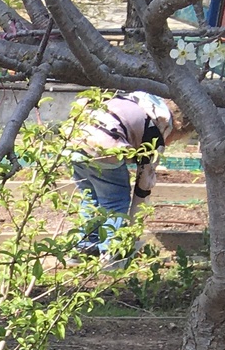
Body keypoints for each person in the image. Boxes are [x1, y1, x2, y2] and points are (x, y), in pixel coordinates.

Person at [72, 90, 181, 257]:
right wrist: (134, 229)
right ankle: (111, 254)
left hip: (75, 140)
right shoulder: (155, 131)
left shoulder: (136, 102)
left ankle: (84, 249)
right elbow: (143, 188)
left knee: (90, 197)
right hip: (104, 145)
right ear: (178, 128)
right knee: (115, 201)